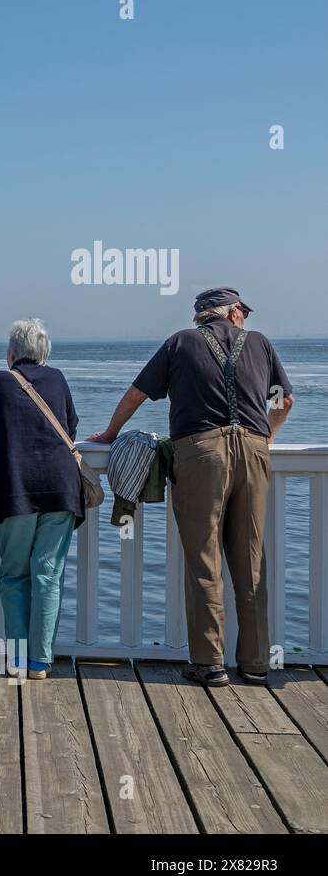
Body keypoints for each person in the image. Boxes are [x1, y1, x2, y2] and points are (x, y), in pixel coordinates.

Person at [87, 288, 294, 687]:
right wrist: (264, 439)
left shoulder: (180, 343)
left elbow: (137, 394)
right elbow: (285, 402)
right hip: (252, 451)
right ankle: (254, 664)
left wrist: (111, 433)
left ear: (201, 316)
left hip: (200, 453)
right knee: (251, 561)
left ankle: (210, 665)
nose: (246, 318)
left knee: (204, 559)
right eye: (244, 311)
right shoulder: (261, 344)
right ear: (233, 312)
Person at [0, 319, 84, 680]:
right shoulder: (59, 379)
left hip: (13, 490)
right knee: (48, 574)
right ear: (44, 352)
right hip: (61, 489)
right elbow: (71, 426)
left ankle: (17, 659)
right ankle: (40, 662)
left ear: (12, 353)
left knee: (14, 574)